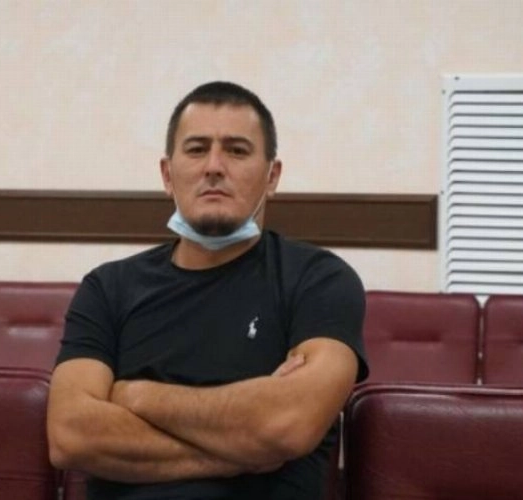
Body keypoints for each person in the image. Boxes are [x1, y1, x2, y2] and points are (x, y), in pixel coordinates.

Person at [47, 81, 368, 500]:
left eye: (237, 151)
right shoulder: (107, 288)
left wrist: (134, 394)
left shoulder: (318, 280)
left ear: (272, 177)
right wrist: (244, 449)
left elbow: (287, 424)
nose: (214, 166)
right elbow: (71, 436)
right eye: (197, 149)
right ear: (167, 175)